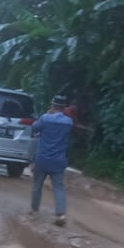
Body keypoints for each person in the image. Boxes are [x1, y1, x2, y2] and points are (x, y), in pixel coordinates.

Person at [30, 94, 74, 226]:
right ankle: (60, 214)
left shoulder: (45, 118)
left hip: (42, 158)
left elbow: (34, 127)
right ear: (64, 108)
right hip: (58, 160)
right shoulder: (68, 122)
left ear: (53, 106)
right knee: (59, 188)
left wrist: (47, 114)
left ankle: (34, 211)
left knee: (37, 186)